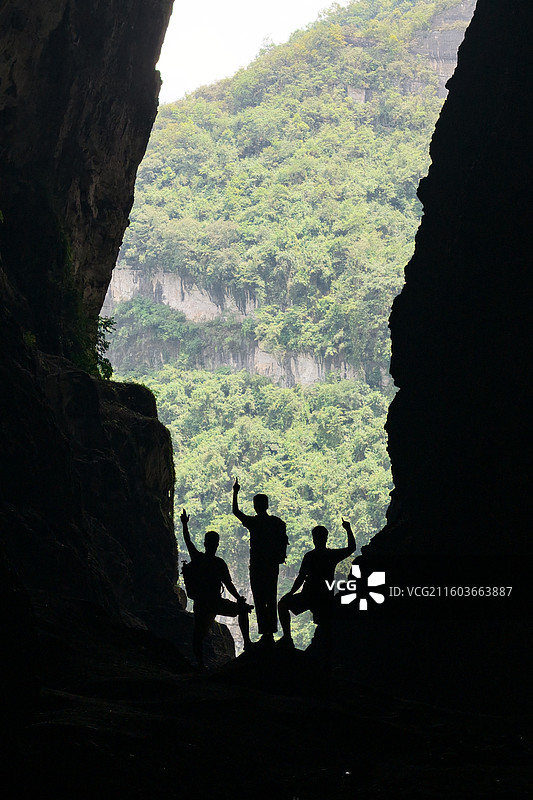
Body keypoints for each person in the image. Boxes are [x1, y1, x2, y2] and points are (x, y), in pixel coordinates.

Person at [180, 509, 252, 668]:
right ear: (216, 545)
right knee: (242, 610)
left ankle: (200, 665)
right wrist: (239, 600)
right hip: (214, 601)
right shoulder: (219, 563)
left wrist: (185, 524)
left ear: (205, 544)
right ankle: (247, 642)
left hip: (202, 603)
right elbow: (228, 584)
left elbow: (188, 541)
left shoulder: (198, 558)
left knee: (198, 636)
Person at [277, 519, 356, 647]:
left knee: (283, 604)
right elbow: (352, 548)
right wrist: (348, 529)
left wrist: (291, 593)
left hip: (309, 595)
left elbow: (301, 577)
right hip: (325, 597)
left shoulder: (310, 556)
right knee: (324, 626)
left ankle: (287, 637)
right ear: (326, 538)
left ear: (314, 539)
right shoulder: (331, 555)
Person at [232, 478, 288, 648]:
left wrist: (235, 492)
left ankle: (266, 634)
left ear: (256, 506)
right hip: (272, 567)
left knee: (259, 599)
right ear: (267, 505)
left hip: (257, 566)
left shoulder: (255, 522)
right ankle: (270, 634)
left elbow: (236, 511)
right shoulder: (277, 523)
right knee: (271, 598)